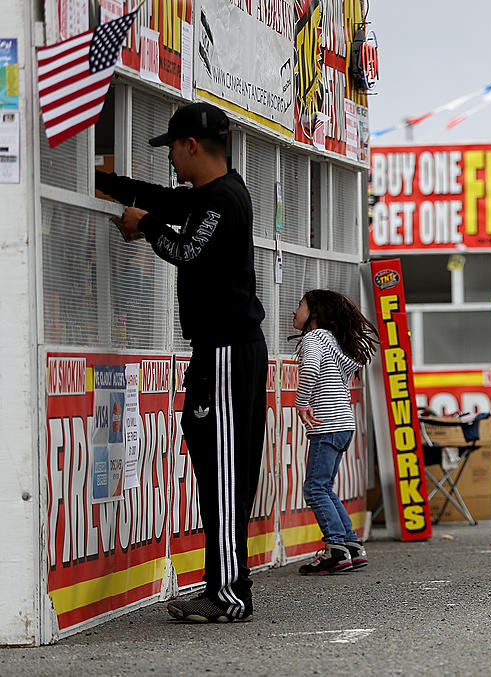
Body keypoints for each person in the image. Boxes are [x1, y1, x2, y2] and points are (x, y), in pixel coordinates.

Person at [96, 102, 269, 620]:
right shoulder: (208, 196)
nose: (169, 157)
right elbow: (158, 200)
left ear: (192, 145)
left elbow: (189, 250)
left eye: (171, 146)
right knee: (216, 469)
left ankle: (229, 592)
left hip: (227, 353)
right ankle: (225, 586)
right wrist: (106, 183)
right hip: (219, 352)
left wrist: (146, 227)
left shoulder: (223, 200)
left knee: (224, 472)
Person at [290, 290, 378, 574]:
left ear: (315, 314)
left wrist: (302, 402)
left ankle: (336, 550)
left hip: (327, 424)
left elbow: (312, 368)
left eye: (300, 305)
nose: (294, 311)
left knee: (314, 489)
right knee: (325, 487)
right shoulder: (333, 341)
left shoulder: (314, 338)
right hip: (343, 424)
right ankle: (351, 545)